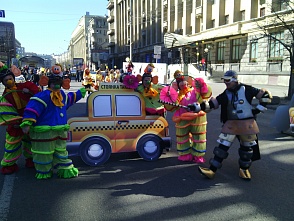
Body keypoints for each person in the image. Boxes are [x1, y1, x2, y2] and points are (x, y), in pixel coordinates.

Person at [197, 70, 272, 180]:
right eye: (224, 80)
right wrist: (198, 107)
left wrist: (257, 110)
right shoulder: (225, 94)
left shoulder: (247, 89)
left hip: (247, 124)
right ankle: (212, 170)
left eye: (228, 80)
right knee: (221, 148)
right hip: (231, 124)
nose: (225, 83)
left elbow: (265, 95)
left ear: (235, 80)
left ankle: (244, 169)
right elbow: (213, 104)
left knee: (247, 149)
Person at [20, 65, 86, 179]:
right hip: (44, 131)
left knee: (61, 151)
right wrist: (27, 123)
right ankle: (44, 171)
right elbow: (33, 108)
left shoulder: (62, 95)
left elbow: (70, 99)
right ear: (48, 83)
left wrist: (81, 92)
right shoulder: (43, 96)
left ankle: (64, 169)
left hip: (60, 130)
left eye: (58, 83)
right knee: (44, 153)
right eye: (54, 83)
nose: (56, 85)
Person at [0, 62, 40, 175]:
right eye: (6, 80)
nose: (9, 81)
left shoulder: (23, 86)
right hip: (16, 123)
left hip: (28, 119)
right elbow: (5, 111)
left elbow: (37, 93)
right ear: (3, 82)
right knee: (12, 144)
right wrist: (15, 122)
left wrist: (29, 92)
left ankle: (31, 160)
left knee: (30, 142)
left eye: (10, 78)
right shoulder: (5, 95)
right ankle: (8, 165)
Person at [165, 70, 212, 163]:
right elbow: (171, 106)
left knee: (199, 137)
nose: (182, 84)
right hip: (182, 118)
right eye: (180, 83)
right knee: (182, 137)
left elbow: (204, 96)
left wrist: (201, 86)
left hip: (197, 118)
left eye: (183, 81)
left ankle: (198, 155)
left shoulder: (194, 91)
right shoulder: (177, 95)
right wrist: (170, 96)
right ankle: (185, 154)